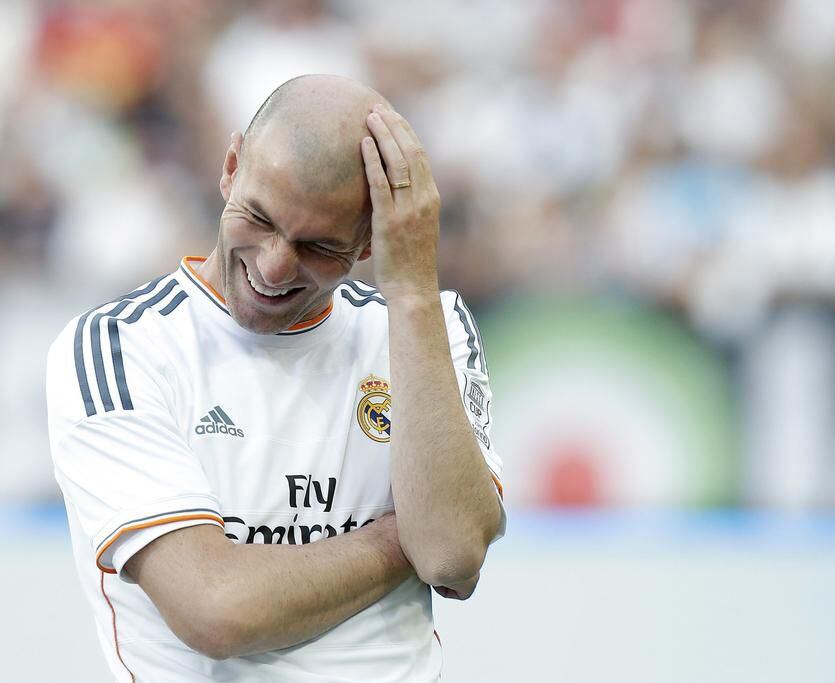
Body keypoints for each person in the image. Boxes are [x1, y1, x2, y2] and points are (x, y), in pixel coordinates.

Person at [45, 74, 505, 682]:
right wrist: (403, 539)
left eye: (318, 246)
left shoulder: (429, 328)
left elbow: (450, 554)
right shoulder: (118, 350)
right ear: (231, 166)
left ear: (371, 238)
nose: (273, 265)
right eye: (259, 219)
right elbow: (217, 612)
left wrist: (413, 292)